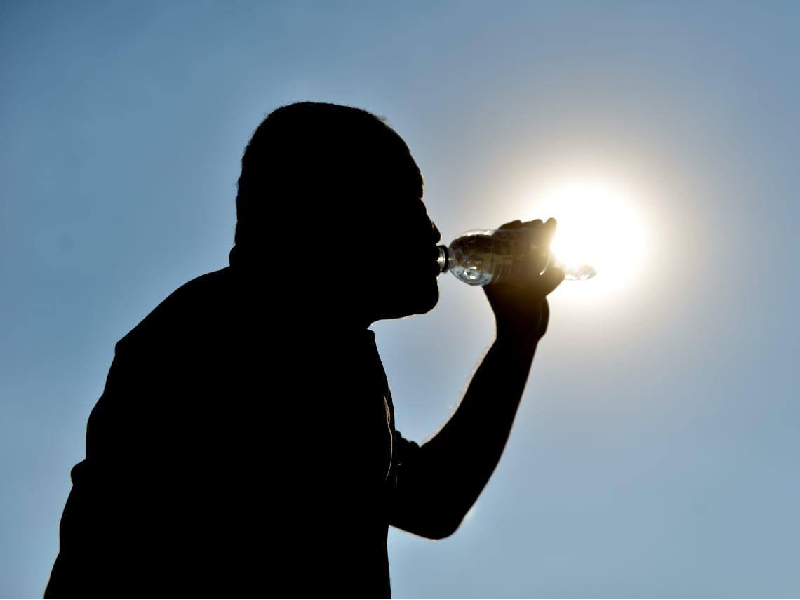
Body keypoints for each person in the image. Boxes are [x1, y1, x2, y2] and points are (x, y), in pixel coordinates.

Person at [44, 101, 564, 598]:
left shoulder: (324, 347)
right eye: (410, 202)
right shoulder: (228, 341)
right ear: (335, 213)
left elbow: (432, 500)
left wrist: (518, 337)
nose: (432, 230)